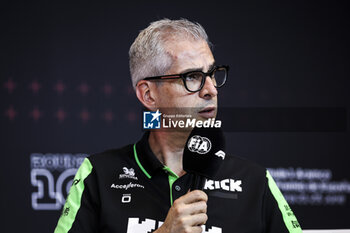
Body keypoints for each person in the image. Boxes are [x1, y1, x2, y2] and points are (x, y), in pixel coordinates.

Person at [54, 18, 302, 233]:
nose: (211, 89)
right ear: (148, 95)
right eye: (191, 77)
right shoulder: (99, 174)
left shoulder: (255, 181)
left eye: (213, 73)